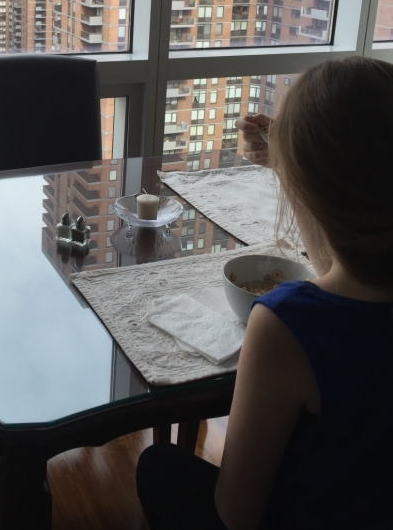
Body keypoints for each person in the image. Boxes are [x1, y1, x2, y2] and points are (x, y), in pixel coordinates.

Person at [136, 57, 393, 529]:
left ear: (310, 191)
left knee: (159, 466)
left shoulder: (290, 323)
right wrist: (294, 155)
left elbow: (235, 514)